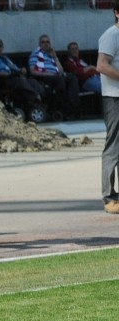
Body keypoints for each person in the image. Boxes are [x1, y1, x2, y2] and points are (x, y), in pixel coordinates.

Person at [97, 1, 119, 214]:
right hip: (114, 98)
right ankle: (109, 195)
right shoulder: (111, 35)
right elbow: (101, 65)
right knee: (113, 146)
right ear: (117, 13)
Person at [0, 38, 46, 111]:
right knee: (21, 82)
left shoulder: (4, 58)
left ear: (2, 47)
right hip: (2, 80)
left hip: (13, 76)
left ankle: (43, 97)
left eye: (0, 47)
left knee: (32, 81)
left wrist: (21, 70)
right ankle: (35, 99)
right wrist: (4, 73)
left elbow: (14, 67)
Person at [28, 34, 80, 117]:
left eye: (48, 42)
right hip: (44, 77)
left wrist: (55, 57)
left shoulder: (50, 55)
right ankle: (62, 109)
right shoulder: (36, 54)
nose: (46, 44)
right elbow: (33, 71)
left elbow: (61, 71)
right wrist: (48, 74)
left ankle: (73, 107)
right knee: (60, 80)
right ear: (39, 44)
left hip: (56, 77)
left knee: (72, 78)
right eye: (43, 42)